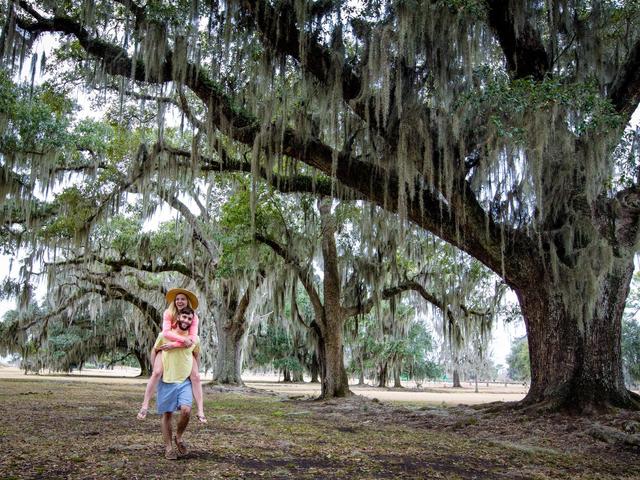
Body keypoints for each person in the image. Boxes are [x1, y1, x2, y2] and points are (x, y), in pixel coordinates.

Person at [137, 288, 206, 423]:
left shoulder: (194, 317)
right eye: (178, 299)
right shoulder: (169, 313)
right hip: (166, 348)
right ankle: (145, 405)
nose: (180, 301)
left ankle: (200, 410)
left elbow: (191, 339)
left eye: (183, 299)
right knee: (156, 372)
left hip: (184, 349)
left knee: (196, 377)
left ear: (188, 302)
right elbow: (166, 333)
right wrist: (176, 343)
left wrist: (175, 345)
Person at [153, 306, 201, 460]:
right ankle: (168, 448)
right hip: (167, 380)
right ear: (178, 317)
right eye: (184, 317)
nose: (186, 321)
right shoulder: (164, 335)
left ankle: (178, 437)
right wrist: (156, 371)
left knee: (186, 411)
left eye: (189, 319)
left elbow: (196, 355)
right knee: (167, 414)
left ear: (192, 321)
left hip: (184, 381)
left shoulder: (195, 339)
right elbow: (155, 351)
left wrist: (194, 373)